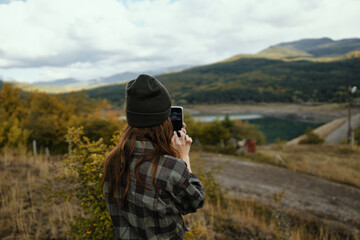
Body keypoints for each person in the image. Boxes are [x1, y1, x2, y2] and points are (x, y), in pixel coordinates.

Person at [102, 74, 205, 240]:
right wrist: (183, 157)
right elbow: (194, 202)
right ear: (164, 122)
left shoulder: (113, 159)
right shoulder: (173, 167)